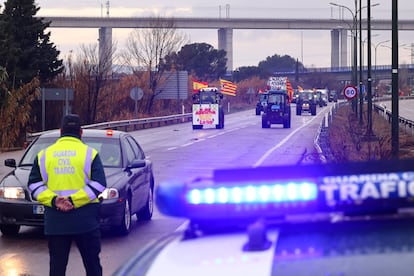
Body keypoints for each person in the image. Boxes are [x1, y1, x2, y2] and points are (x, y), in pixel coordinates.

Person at [28, 114, 107, 276]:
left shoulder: (44, 155)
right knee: (92, 266)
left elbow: (34, 185)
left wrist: (55, 200)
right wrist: (73, 200)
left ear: (60, 131)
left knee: (57, 268)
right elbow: (99, 184)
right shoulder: (90, 154)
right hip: (85, 222)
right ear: (81, 132)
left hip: (56, 223)